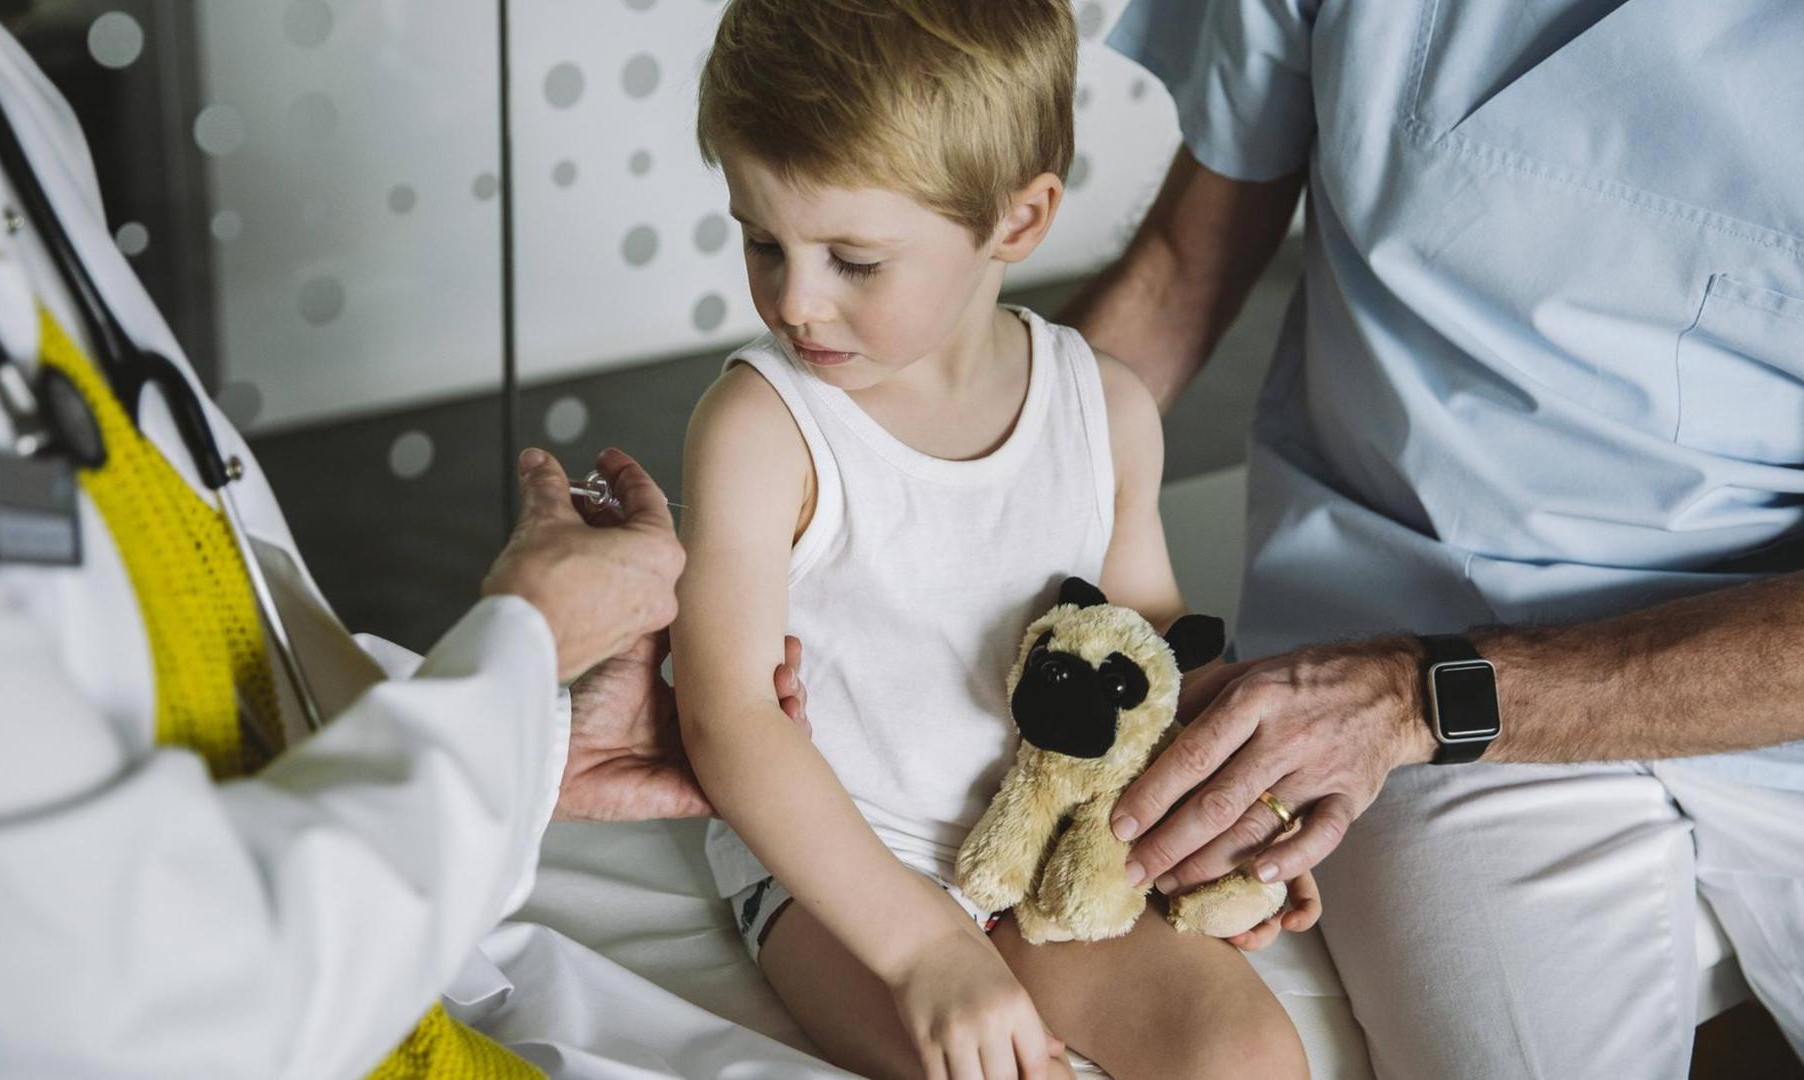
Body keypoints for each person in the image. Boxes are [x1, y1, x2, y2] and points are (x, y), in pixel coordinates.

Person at [0, 5, 811, 1077]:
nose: (797, 303)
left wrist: (534, 741)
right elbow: (133, 1004)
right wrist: (526, 644)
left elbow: (181, 615)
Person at [1065, 0, 1804, 1074]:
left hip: (1739, 664)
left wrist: (1416, 693)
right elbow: (1180, 272)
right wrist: (887, 527)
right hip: (1404, 639)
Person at [670, 3, 1316, 1078]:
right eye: (761, 241)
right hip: (844, 872)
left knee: (1251, 1058)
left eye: (854, 260)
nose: (793, 298)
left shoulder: (1102, 409)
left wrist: (1243, 816)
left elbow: (1149, 652)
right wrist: (926, 948)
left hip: (1052, 852)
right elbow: (727, 716)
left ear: (1015, 223)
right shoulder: (760, 431)